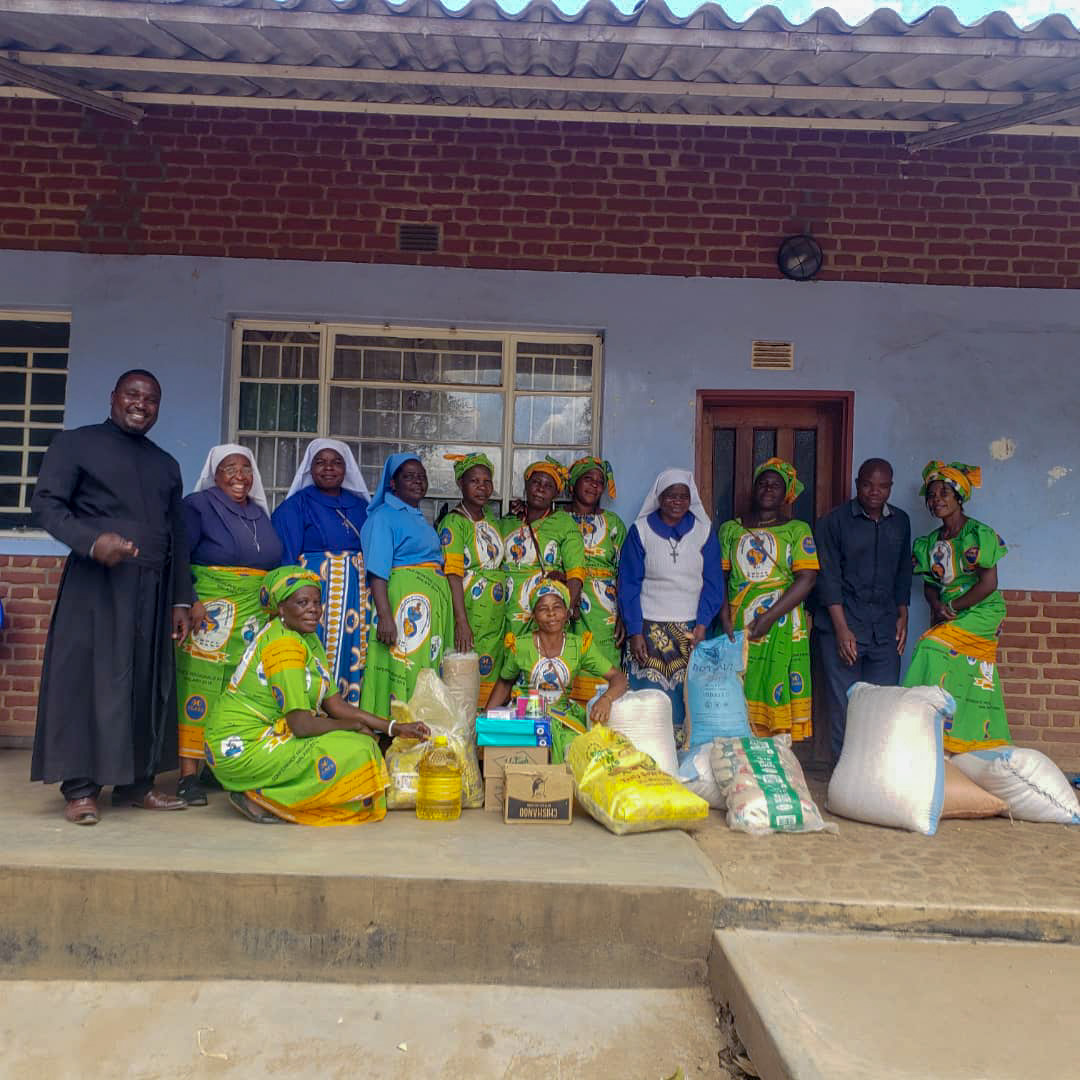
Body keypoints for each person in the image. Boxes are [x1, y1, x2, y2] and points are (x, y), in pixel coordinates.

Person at [30, 370, 191, 824]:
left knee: (144, 683)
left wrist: (180, 599)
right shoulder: (75, 444)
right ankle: (81, 787)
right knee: (90, 681)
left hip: (154, 591)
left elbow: (177, 534)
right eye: (133, 395)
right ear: (114, 397)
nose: (142, 404)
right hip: (96, 584)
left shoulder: (165, 464)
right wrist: (92, 540)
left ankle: (136, 784)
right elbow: (45, 504)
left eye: (151, 399)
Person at [204, 566, 430, 824]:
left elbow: (335, 705)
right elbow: (301, 725)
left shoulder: (305, 638)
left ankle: (268, 792)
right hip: (243, 745)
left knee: (364, 745)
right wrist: (353, 727)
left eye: (316, 602)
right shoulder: (284, 646)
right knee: (358, 751)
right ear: (281, 608)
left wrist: (394, 728)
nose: (313, 609)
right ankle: (261, 797)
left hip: (272, 734)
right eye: (302, 603)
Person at [174, 443, 282, 805]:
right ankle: (189, 775)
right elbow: (179, 556)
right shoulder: (198, 506)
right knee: (199, 686)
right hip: (211, 613)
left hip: (252, 614)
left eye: (246, 469)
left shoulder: (258, 513)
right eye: (230, 469)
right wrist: (190, 599)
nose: (240, 477)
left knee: (237, 689)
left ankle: (221, 765)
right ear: (215, 474)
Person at [903, 461, 1011, 754]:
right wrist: (937, 605)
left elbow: (989, 584)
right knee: (971, 676)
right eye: (932, 495)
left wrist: (951, 606)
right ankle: (956, 740)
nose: (936, 499)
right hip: (950, 610)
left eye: (944, 493)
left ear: (959, 498)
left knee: (930, 647)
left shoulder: (979, 534)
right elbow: (929, 583)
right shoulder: (928, 543)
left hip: (982, 611)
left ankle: (911, 725)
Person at [814, 458, 912, 760]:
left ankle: (875, 775)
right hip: (842, 627)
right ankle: (844, 776)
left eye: (883, 486)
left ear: (890, 488)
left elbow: (902, 573)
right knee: (846, 706)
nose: (875, 492)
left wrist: (903, 615)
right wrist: (842, 630)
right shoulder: (833, 522)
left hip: (883, 628)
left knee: (882, 703)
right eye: (869, 484)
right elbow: (827, 577)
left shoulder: (901, 521)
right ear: (858, 484)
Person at [617, 468, 725, 742]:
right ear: (659, 498)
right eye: (670, 496)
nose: (676, 502)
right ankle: (650, 755)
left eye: (683, 496)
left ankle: (684, 759)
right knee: (650, 700)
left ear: (691, 499)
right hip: (648, 629)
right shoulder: (640, 531)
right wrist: (634, 631)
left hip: (692, 630)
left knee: (688, 698)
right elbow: (629, 583)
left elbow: (713, 583)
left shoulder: (703, 531)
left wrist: (702, 625)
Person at [718, 458, 818, 741]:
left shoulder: (798, 530)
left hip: (781, 622)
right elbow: (721, 578)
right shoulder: (730, 530)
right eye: (763, 482)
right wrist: (724, 617)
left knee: (776, 684)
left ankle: (778, 762)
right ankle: (741, 761)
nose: (768, 488)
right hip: (738, 624)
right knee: (739, 684)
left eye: (776, 484)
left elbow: (807, 578)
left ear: (786, 492)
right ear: (753, 487)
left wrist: (769, 616)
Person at [272, 439, 371, 705]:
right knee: (317, 648)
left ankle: (350, 713)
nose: (329, 468)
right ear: (310, 468)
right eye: (321, 462)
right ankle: (314, 713)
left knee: (354, 652)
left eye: (336, 462)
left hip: (356, 596)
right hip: (315, 594)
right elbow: (287, 558)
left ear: (346, 468)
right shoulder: (296, 506)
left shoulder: (361, 507)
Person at [488, 580, 627, 763]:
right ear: (534, 616)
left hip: (563, 721)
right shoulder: (520, 646)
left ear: (567, 613)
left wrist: (606, 699)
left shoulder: (578, 646)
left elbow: (619, 678)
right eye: (543, 608)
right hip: (527, 720)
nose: (551, 613)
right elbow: (505, 682)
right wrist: (486, 722)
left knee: (581, 756)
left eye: (557, 607)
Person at [359, 453, 453, 719]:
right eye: (409, 476)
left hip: (428, 606)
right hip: (405, 605)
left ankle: (422, 726)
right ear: (392, 483)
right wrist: (386, 617)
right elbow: (377, 571)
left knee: (425, 669)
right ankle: (400, 730)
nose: (417, 481)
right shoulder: (383, 517)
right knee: (405, 668)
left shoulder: (415, 516)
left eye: (421, 476)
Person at [439, 452, 506, 709]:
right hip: (469, 608)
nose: (482, 487)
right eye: (474, 481)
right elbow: (453, 574)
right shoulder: (454, 522)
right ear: (461, 484)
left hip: (494, 616)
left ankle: (484, 733)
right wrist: (461, 621)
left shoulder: (491, 519)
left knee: (491, 670)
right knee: (465, 672)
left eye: (486, 481)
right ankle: (463, 737)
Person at [499, 458, 585, 635]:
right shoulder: (506, 523)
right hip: (504, 609)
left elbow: (576, 573)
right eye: (536, 482)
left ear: (555, 494)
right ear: (526, 485)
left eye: (548, 486)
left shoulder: (564, 523)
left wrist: (565, 613)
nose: (540, 489)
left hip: (545, 611)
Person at [567, 456, 627, 709]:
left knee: (604, 665)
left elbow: (625, 572)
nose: (594, 486)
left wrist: (624, 615)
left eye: (599, 482)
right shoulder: (559, 521)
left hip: (606, 610)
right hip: (568, 604)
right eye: (587, 479)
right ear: (573, 484)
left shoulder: (613, 524)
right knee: (568, 660)